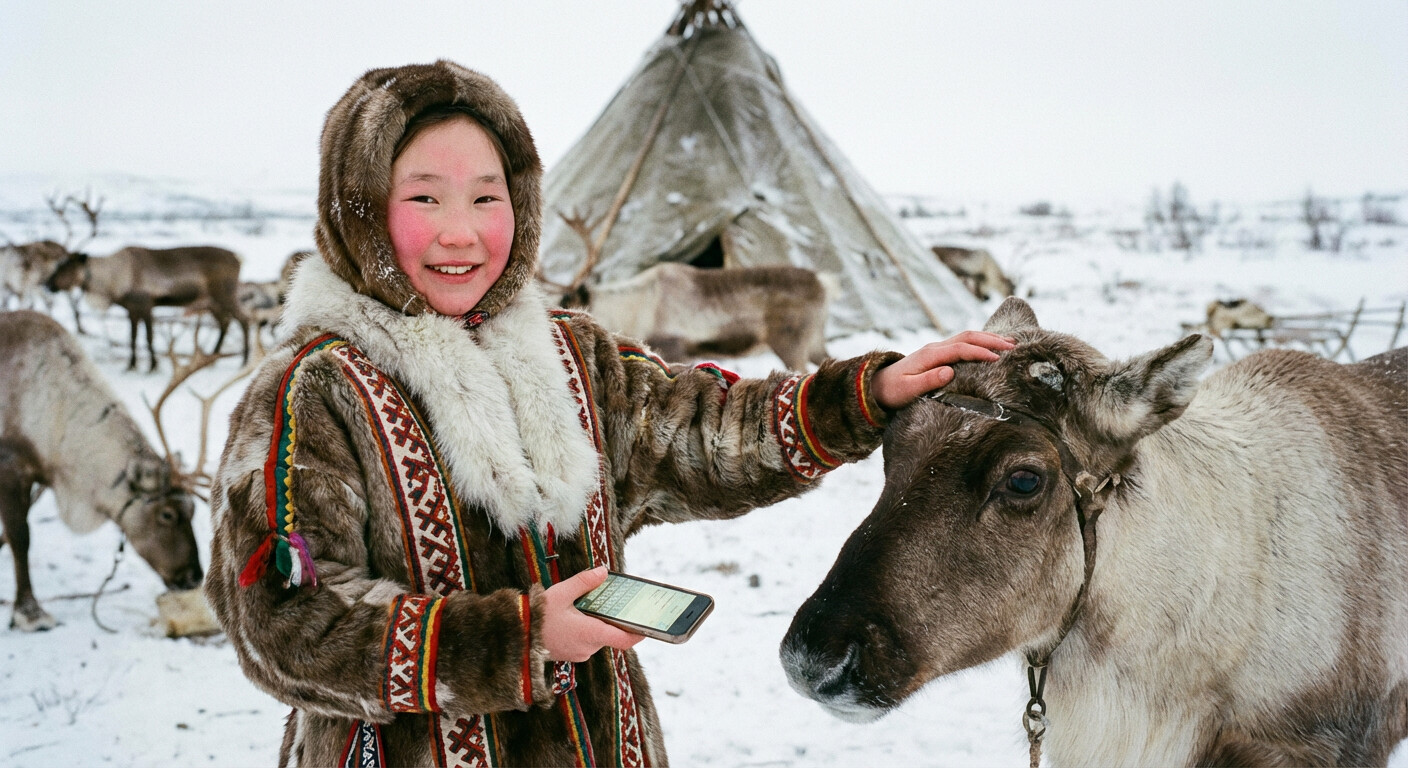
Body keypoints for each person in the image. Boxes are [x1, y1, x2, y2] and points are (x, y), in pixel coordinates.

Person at [205, 60, 1013, 768]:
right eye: (424, 197)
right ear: (360, 208)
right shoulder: (312, 394)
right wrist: (519, 640)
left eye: (488, 197)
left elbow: (705, 433)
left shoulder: (572, 358)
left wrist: (861, 396)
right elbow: (284, 623)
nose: (462, 233)